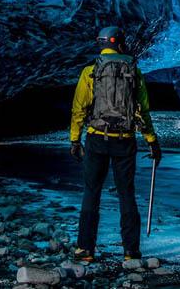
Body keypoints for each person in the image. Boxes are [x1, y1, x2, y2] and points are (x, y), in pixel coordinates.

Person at [69, 26, 162, 263]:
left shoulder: (91, 71)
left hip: (96, 138)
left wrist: (74, 140)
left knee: (92, 192)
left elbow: (79, 109)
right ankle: (131, 251)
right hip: (125, 141)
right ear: (119, 43)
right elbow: (143, 111)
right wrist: (152, 142)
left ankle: (85, 250)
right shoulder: (134, 72)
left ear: (102, 44)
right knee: (126, 194)